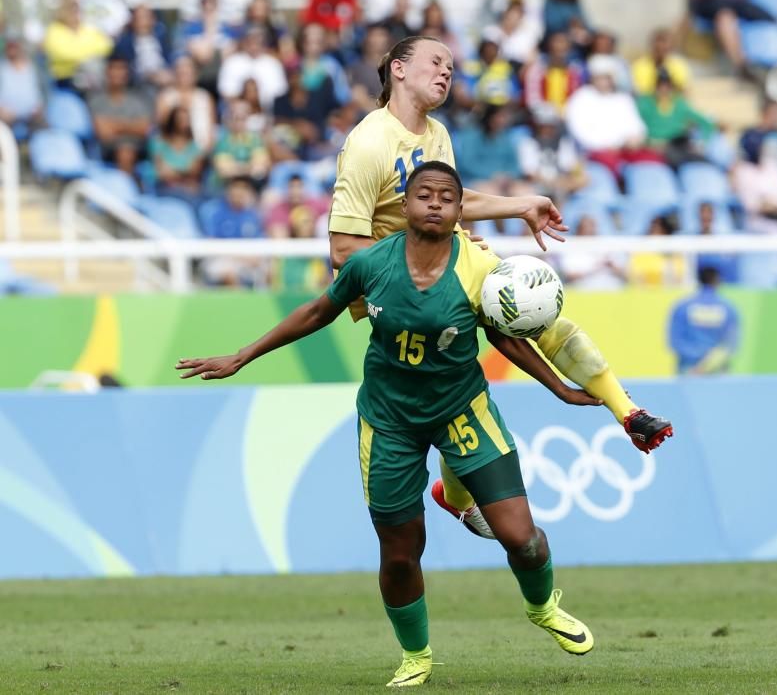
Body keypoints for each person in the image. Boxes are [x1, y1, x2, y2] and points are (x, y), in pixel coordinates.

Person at [177, 162, 598, 687]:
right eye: (426, 194)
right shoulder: (371, 263)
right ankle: (416, 656)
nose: (437, 203)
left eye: (449, 196)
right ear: (405, 206)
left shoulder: (480, 267)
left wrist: (559, 387)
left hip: (463, 410)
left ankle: (542, 608)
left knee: (523, 538)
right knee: (401, 554)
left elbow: (505, 336)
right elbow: (316, 313)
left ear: (460, 210)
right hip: (390, 422)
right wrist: (243, 355)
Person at [328, 35, 672, 539]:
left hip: (450, 259)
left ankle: (628, 412)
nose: (447, 72)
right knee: (449, 391)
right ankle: (454, 495)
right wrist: (421, 250)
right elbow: (342, 250)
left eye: (450, 65)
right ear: (398, 70)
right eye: (435, 62)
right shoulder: (368, 143)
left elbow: (451, 201)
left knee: (534, 305)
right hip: (402, 289)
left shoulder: (436, 134)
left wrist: (520, 204)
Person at [668, 265, 739, 375]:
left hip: (689, 369)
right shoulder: (727, 308)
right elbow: (731, 343)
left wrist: (698, 365)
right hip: (716, 369)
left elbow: (675, 341)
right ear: (717, 280)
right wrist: (708, 363)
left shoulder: (683, 306)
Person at [89, 56, 151, 175]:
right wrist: (131, 126)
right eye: (114, 69)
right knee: (125, 152)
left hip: (138, 148)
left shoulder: (137, 100)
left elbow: (144, 129)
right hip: (107, 150)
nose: (118, 73)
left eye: (122, 69)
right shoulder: (97, 100)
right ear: (107, 72)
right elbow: (103, 132)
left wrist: (115, 125)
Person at [632, 28, 691, 95]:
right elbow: (642, 91)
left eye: (664, 49)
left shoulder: (678, 65)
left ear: (671, 47)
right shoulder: (640, 66)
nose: (661, 48)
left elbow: (683, 88)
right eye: (658, 49)